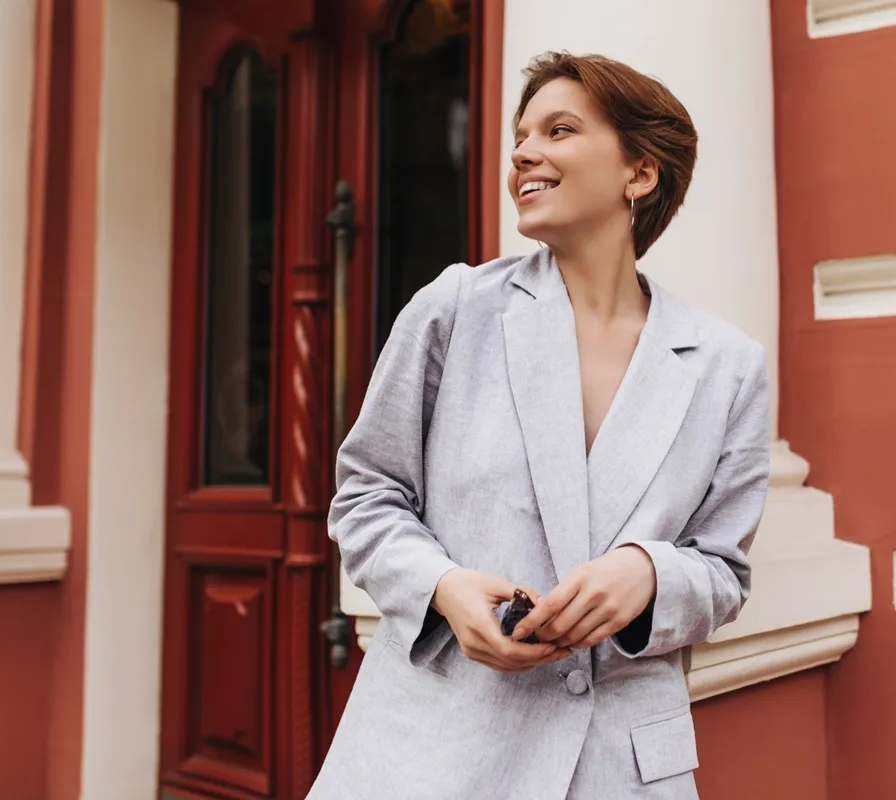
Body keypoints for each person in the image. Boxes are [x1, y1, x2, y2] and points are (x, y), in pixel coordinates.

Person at [307, 51, 772, 800]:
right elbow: (366, 495)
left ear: (640, 174)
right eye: (521, 136)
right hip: (438, 750)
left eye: (559, 130)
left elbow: (724, 570)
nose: (524, 151)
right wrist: (445, 589)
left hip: (618, 766)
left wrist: (651, 575)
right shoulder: (455, 310)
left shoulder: (727, 365)